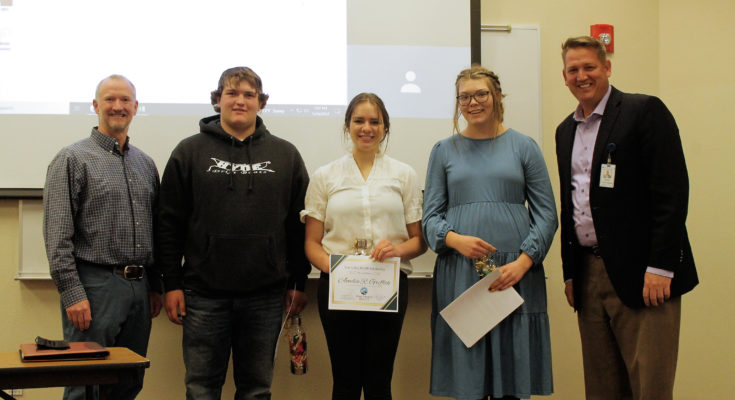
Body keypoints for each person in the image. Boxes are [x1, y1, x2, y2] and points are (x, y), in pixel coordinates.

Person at [555, 36, 698, 400]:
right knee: (601, 389)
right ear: (564, 76)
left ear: (607, 67)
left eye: (589, 67)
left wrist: (661, 266)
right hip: (588, 276)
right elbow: (571, 204)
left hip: (645, 274)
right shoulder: (565, 131)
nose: (581, 76)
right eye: (573, 69)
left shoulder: (643, 111)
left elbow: (672, 193)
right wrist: (570, 273)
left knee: (649, 387)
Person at [156, 66, 310, 400]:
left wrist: (298, 281)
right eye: (232, 93)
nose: (240, 101)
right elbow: (168, 223)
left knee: (256, 390)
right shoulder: (188, 152)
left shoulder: (286, 155)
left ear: (261, 102)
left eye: (249, 95)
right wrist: (171, 284)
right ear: (217, 100)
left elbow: (299, 225)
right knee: (201, 389)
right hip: (202, 296)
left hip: (266, 296)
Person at [422, 65, 558, 400]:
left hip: (514, 275)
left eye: (481, 94)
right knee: (468, 381)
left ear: (496, 96)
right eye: (464, 97)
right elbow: (430, 218)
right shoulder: (443, 151)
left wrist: (523, 263)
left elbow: (547, 215)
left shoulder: (524, 146)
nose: (473, 103)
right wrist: (454, 239)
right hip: (461, 274)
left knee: (511, 383)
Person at [43, 74, 162, 400]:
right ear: (96, 105)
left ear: (135, 107)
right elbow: (57, 235)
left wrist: (154, 286)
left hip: (139, 288)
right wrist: (72, 293)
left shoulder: (145, 164)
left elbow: (154, 229)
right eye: (110, 99)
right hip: (94, 287)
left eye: (125, 100)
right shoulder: (72, 159)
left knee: (128, 381)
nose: (117, 106)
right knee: (85, 384)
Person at [302, 92, 426, 399]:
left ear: (385, 128)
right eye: (359, 121)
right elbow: (312, 243)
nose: (367, 128)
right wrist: (339, 270)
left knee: (378, 380)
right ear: (348, 125)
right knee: (344, 381)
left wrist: (397, 250)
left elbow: (419, 241)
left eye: (375, 122)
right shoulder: (325, 176)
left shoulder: (404, 175)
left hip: (388, 285)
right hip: (338, 287)